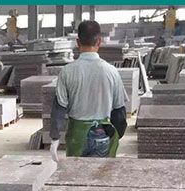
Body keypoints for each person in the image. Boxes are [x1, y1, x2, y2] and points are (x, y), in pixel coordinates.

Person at [49, 20, 127, 160]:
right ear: (99, 41)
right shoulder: (112, 72)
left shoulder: (67, 72)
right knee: (102, 172)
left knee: (76, 173)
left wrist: (55, 138)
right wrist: (117, 135)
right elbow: (119, 112)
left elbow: (59, 108)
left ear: (78, 42)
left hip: (77, 136)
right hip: (104, 133)